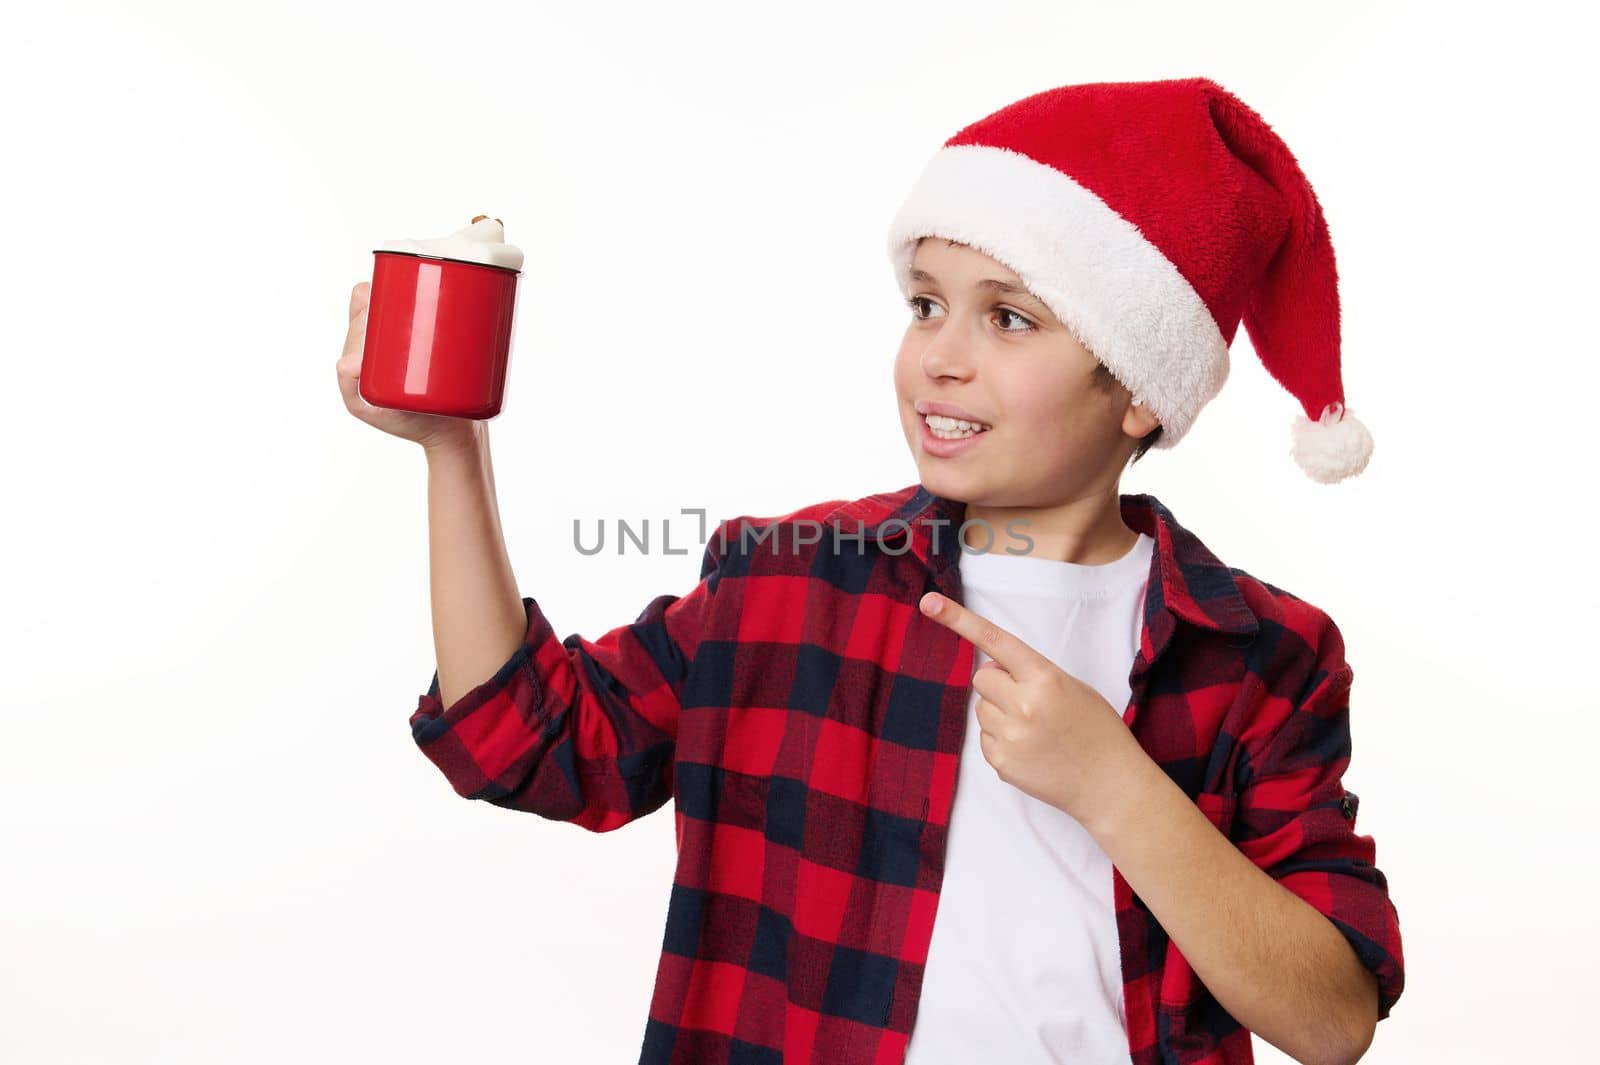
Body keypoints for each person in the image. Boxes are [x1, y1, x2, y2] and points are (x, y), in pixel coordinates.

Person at [337, 75, 1404, 1065]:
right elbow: (521, 742)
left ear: (1137, 388)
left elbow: (1331, 1020)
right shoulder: (792, 583)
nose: (941, 354)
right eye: (926, 304)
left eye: (1008, 317)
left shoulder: (1263, 654)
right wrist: (450, 450)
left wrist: (1113, 784)